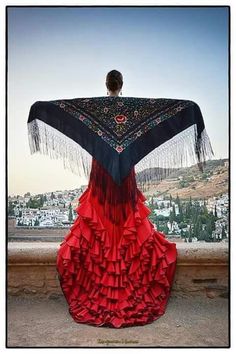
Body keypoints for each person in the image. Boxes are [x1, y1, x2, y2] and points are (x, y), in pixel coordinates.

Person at [56, 70, 178, 328]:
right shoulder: (133, 108)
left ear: (106, 85)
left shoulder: (94, 109)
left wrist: (40, 109)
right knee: (125, 217)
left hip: (101, 169)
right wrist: (188, 109)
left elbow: (67, 109)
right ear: (121, 85)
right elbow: (159, 109)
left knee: (100, 215)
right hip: (124, 172)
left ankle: (100, 284)